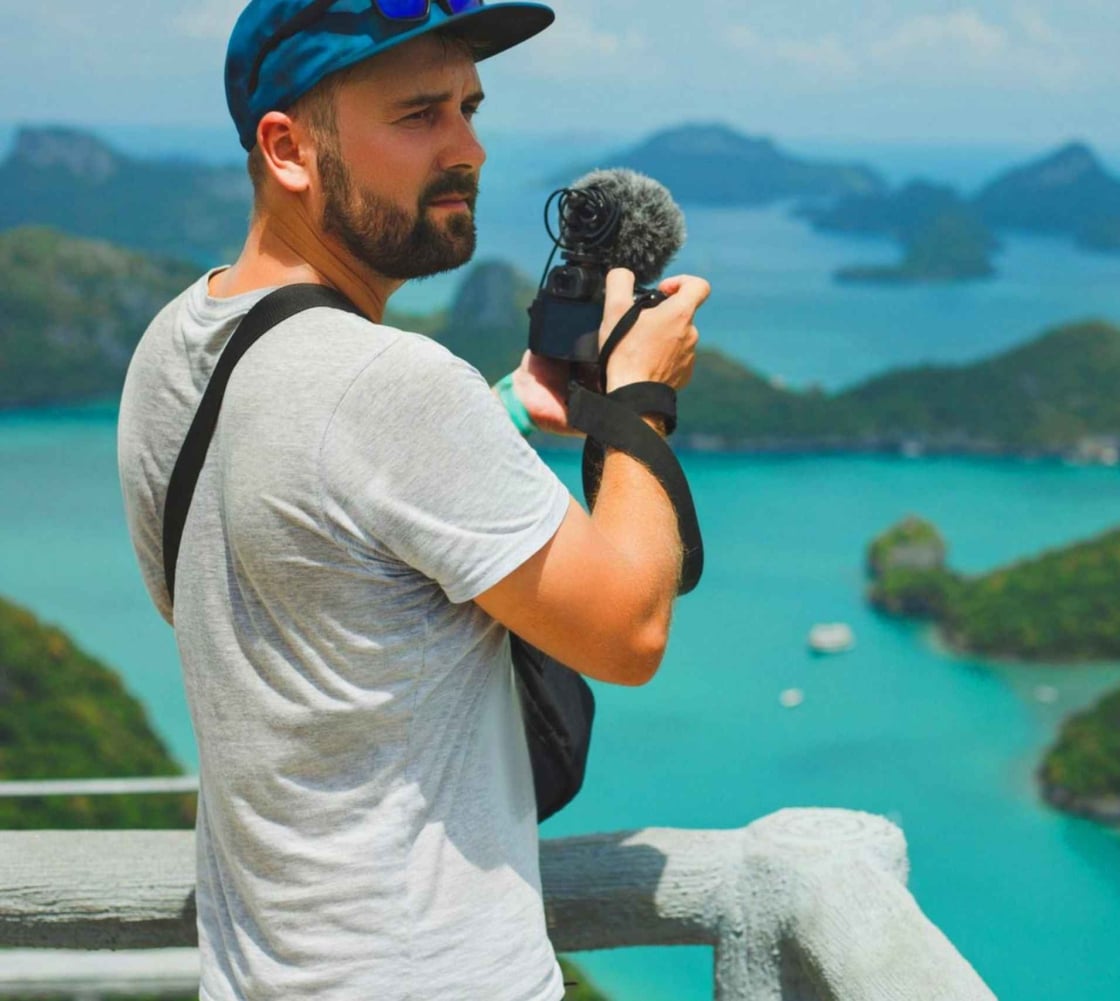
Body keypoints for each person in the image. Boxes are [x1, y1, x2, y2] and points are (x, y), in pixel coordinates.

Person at [116, 2, 709, 998]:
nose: (469, 147)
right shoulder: (391, 386)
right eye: (419, 115)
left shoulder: (173, 345)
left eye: (470, 108)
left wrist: (502, 415)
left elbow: (263, 571)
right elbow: (631, 629)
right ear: (289, 148)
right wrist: (640, 399)